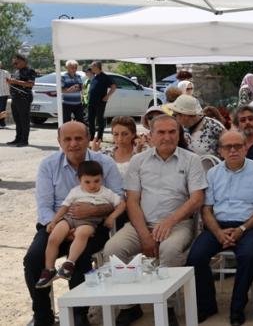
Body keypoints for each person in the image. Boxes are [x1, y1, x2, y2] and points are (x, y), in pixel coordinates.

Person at [103, 114, 207, 326]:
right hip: (142, 223)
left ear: (179, 134)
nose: (167, 137)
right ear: (150, 135)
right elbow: (132, 201)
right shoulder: (138, 161)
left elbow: (197, 198)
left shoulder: (191, 160)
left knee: (169, 250)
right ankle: (129, 306)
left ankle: (167, 306)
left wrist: (169, 222)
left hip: (178, 224)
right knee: (113, 249)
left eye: (172, 132)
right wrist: (144, 235)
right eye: (161, 132)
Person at [24, 121, 123, 326]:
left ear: (88, 139)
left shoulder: (105, 163)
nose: (73, 144)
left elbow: (119, 199)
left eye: (78, 138)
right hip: (57, 224)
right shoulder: (48, 165)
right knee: (33, 259)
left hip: (93, 226)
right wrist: (62, 225)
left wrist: (94, 211)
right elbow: (44, 206)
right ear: (59, 141)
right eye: (67, 139)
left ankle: (79, 315)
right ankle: (43, 316)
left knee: (81, 258)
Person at [186, 131, 253, 325]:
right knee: (195, 257)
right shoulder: (213, 173)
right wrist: (218, 232)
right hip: (218, 225)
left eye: (238, 146)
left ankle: (237, 308)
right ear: (220, 151)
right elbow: (206, 209)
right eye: (227, 147)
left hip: (248, 225)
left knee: (248, 257)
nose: (233, 150)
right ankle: (207, 305)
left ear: (245, 148)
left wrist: (242, 229)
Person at [36, 160, 125, 288]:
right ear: (79, 180)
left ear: (102, 178)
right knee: (54, 237)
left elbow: (121, 204)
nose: (92, 185)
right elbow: (64, 207)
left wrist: (112, 217)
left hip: (89, 221)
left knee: (82, 234)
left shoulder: (106, 192)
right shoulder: (76, 191)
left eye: (96, 181)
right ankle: (49, 269)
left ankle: (69, 263)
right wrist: (54, 221)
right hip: (69, 218)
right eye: (87, 182)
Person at [7, 53, 38, 146]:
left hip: (24, 98)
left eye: (17, 62)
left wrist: (15, 81)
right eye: (14, 63)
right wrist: (10, 82)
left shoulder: (30, 71)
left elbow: (30, 84)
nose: (15, 65)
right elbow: (14, 82)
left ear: (24, 61)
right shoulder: (16, 71)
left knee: (24, 120)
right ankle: (18, 138)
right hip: (15, 98)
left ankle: (24, 140)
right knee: (17, 120)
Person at [85, 61, 116, 141]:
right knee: (90, 119)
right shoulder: (94, 76)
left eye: (92, 66)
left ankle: (99, 137)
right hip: (91, 102)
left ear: (96, 67)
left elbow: (113, 87)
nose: (91, 68)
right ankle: (91, 136)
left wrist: (107, 96)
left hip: (100, 102)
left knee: (99, 119)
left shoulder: (105, 77)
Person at [0, 61, 9, 129]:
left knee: (2, 109)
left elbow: (10, 81)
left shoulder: (6, 72)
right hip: (3, 93)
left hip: (4, 93)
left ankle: (2, 123)